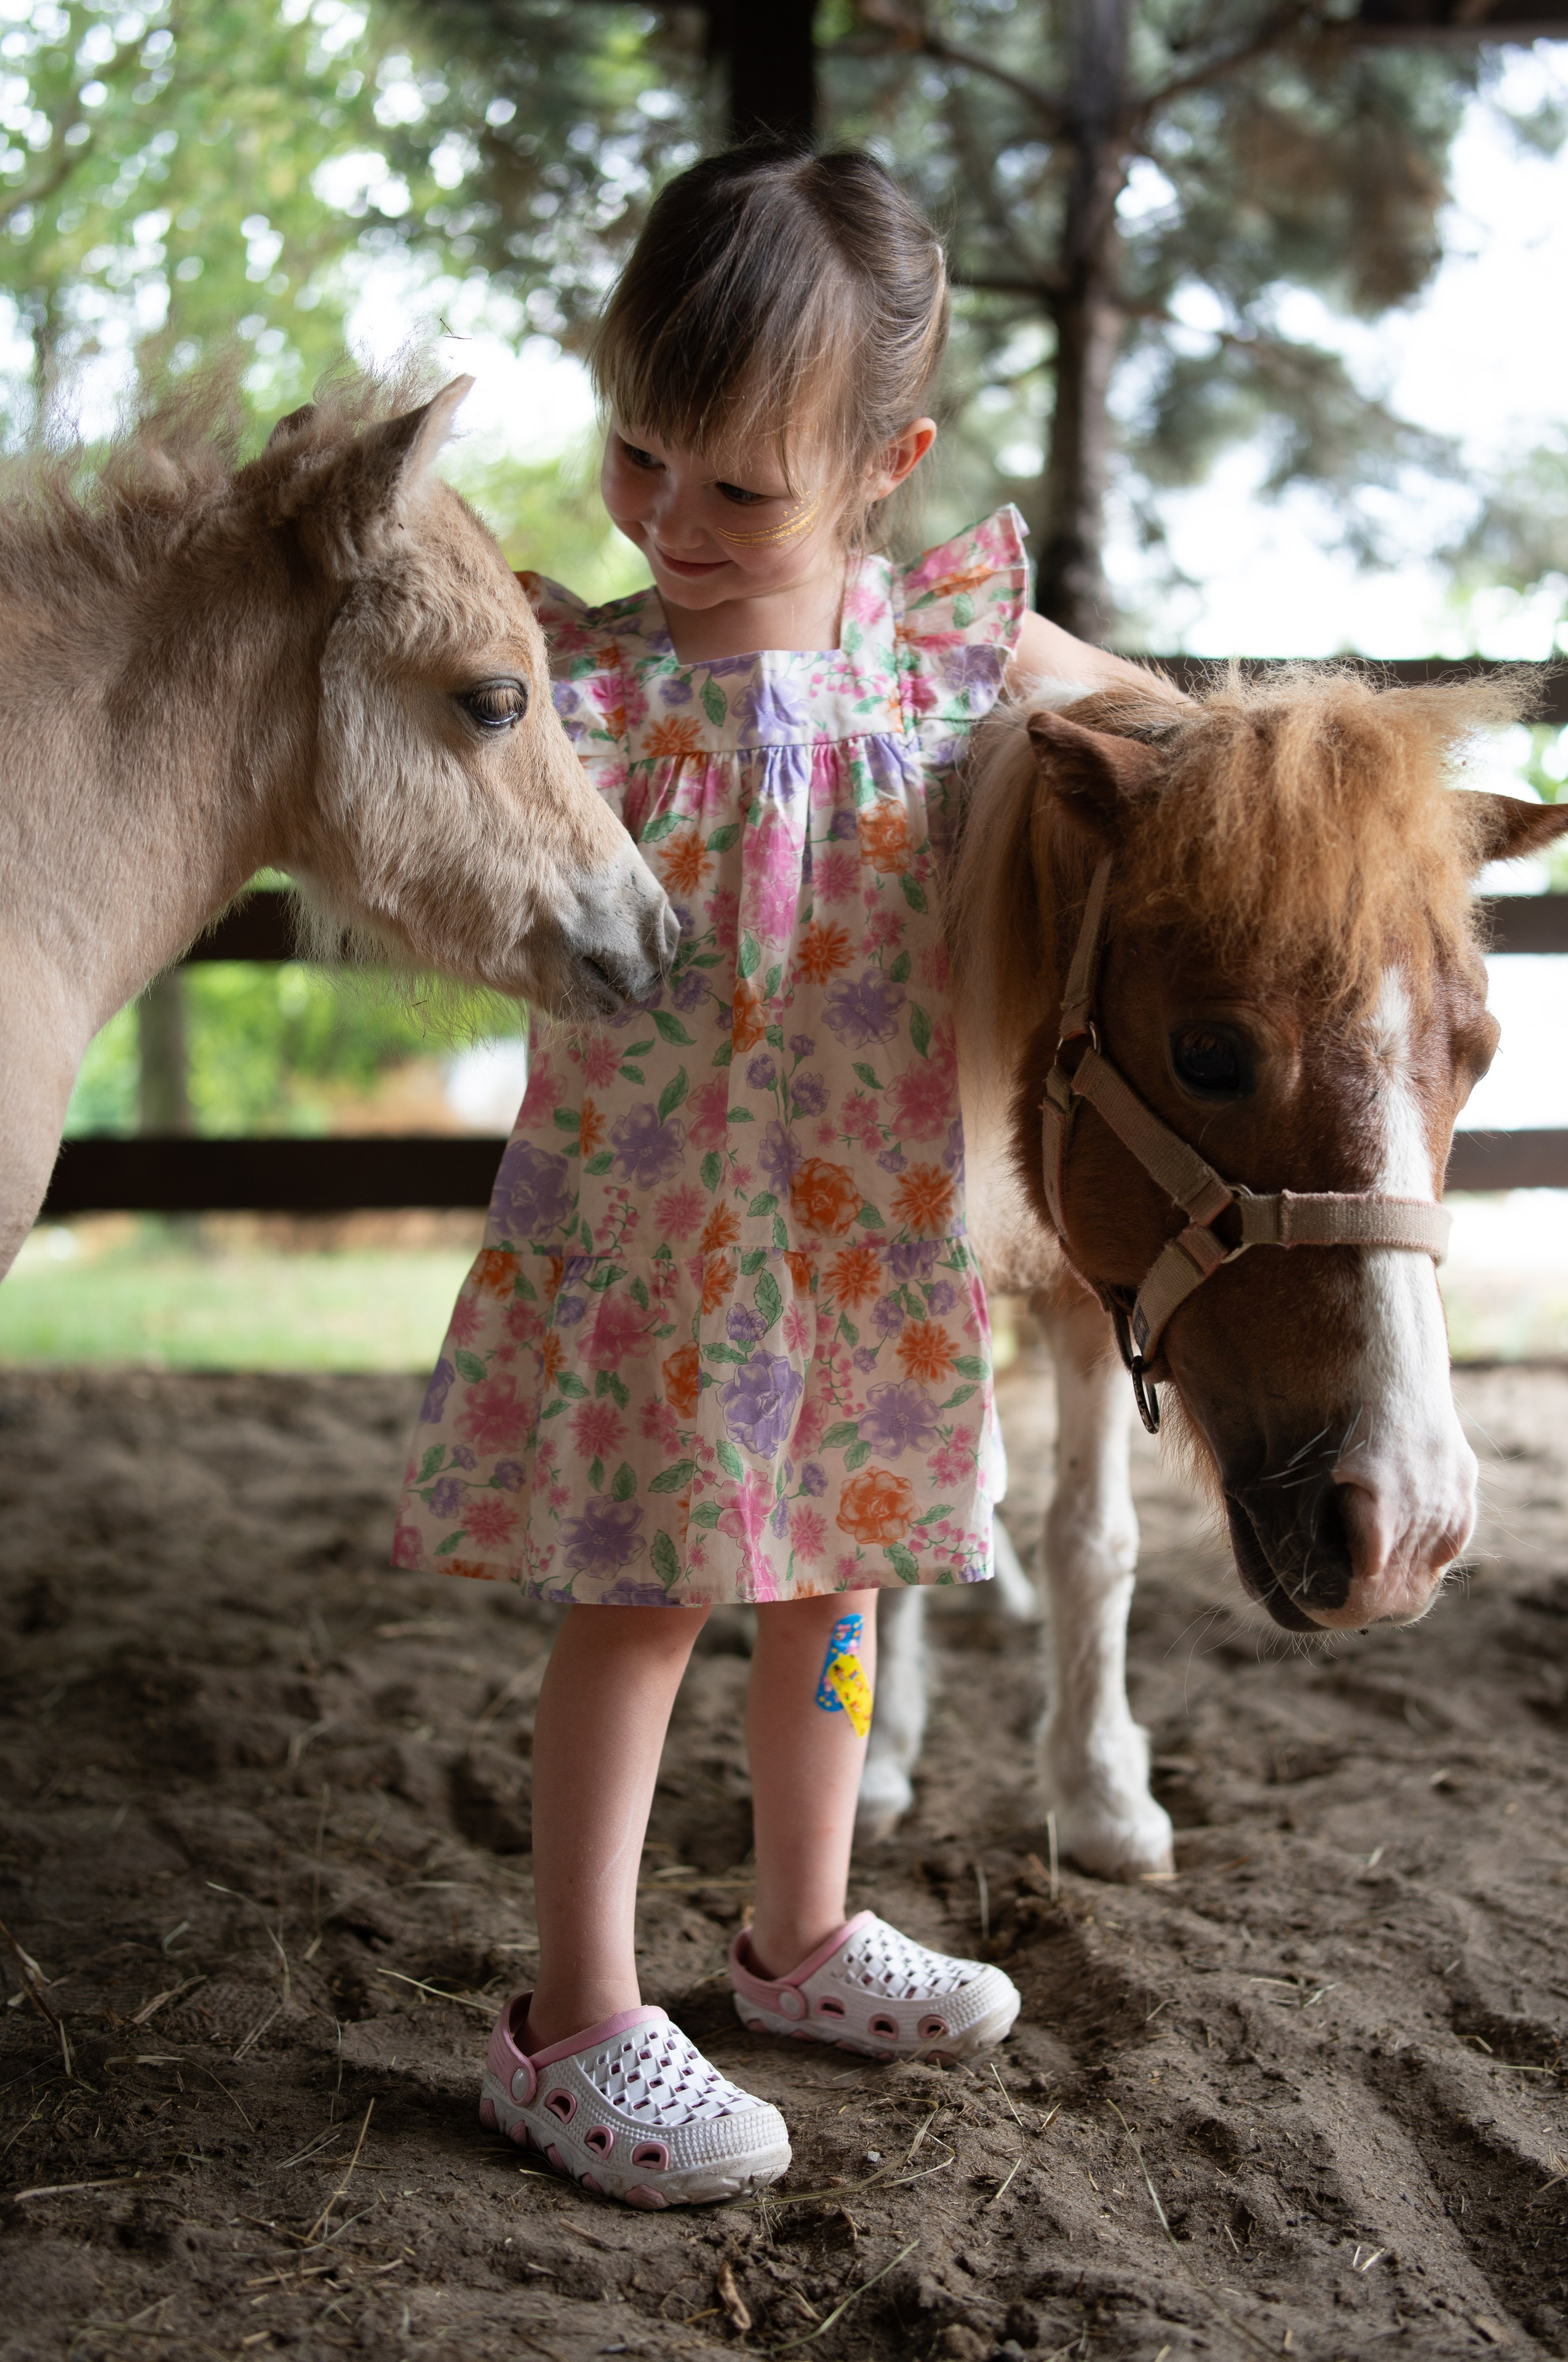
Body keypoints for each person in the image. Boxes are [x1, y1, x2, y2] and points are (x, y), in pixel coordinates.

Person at [394, 144, 1160, 2209]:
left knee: (835, 1585)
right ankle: (567, 2023)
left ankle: (803, 1932)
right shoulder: (597, 683)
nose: (676, 523)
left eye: (747, 490)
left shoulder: (943, 656)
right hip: (652, 1256)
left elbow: (1168, 736)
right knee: (638, 1607)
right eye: (645, 459)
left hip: (860, 1248)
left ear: (884, 462)